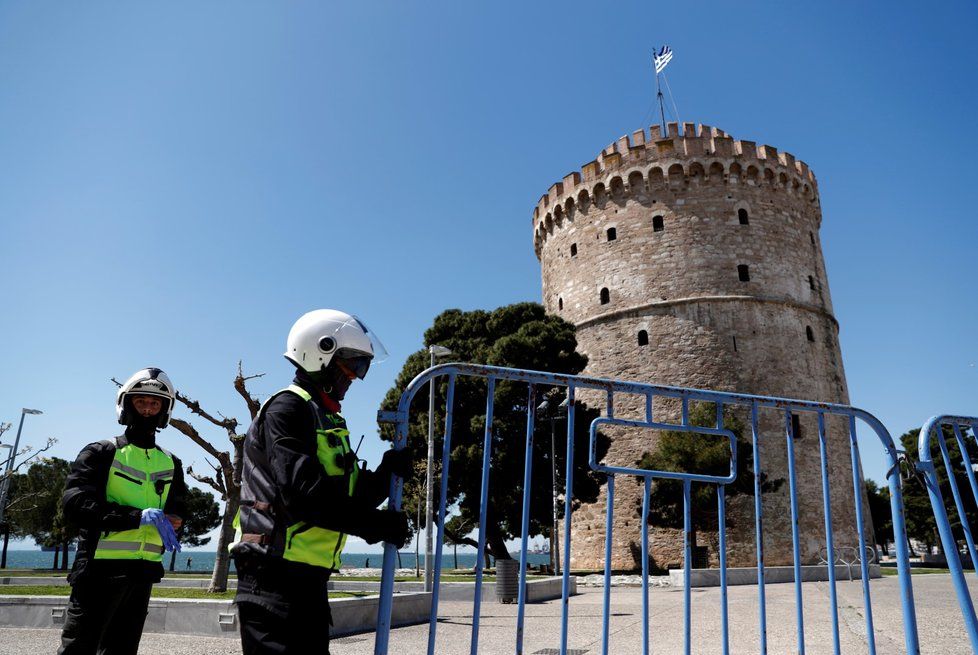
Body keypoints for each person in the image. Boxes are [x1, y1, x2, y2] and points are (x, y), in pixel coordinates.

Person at [232, 309, 411, 655]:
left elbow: (348, 497)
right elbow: (302, 495)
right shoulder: (287, 409)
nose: (357, 377)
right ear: (321, 352)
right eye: (353, 365)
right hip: (271, 575)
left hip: (307, 580)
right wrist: (375, 525)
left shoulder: (325, 418)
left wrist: (387, 472)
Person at [58, 367, 187, 655]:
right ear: (126, 404)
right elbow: (75, 505)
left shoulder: (171, 463)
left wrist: (177, 521)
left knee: (122, 651)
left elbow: (179, 508)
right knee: (79, 649)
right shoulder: (101, 452)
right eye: (141, 401)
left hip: (143, 574)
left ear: (164, 410)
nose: (147, 409)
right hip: (98, 570)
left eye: (155, 403)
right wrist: (135, 517)